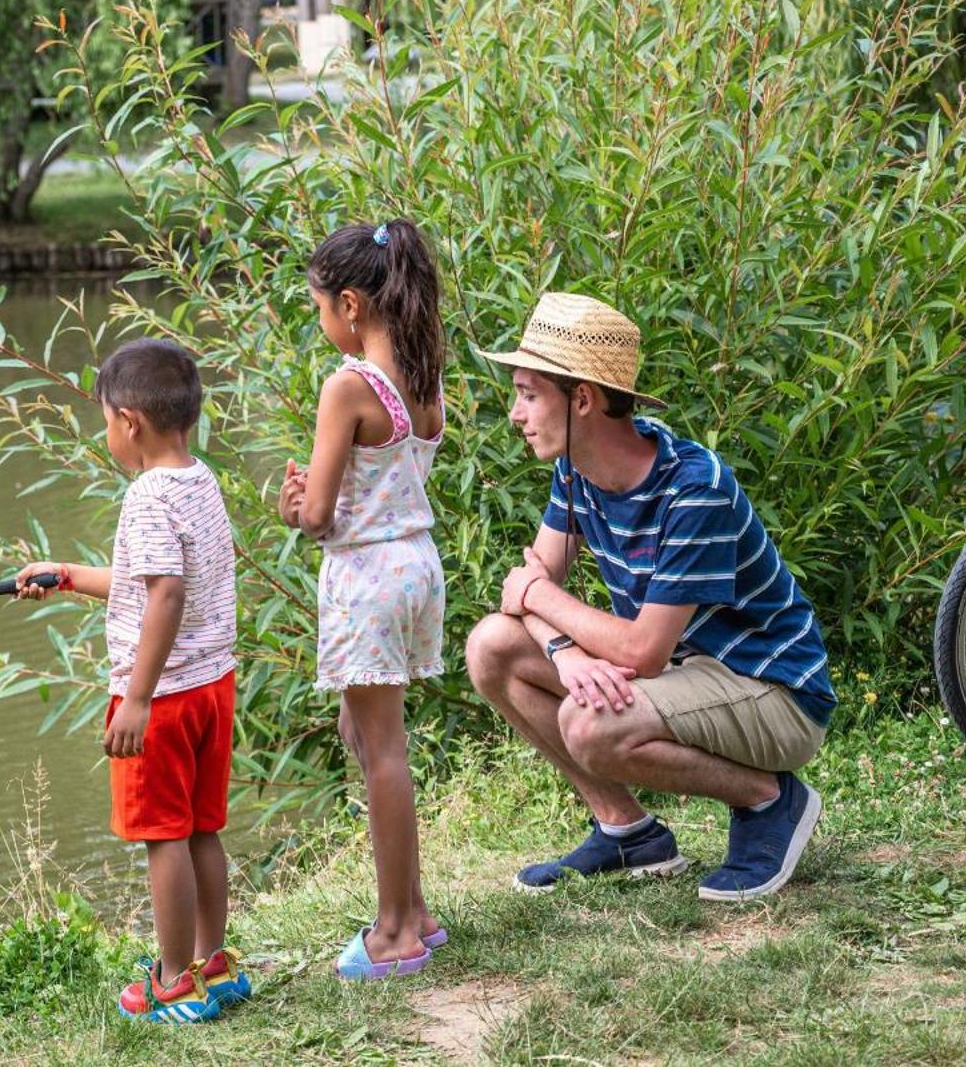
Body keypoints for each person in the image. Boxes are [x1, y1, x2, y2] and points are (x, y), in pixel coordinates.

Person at [469, 292, 835, 900]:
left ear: (581, 399)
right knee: (490, 646)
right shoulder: (575, 470)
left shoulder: (694, 489)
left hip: (772, 691)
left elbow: (638, 651)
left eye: (529, 393)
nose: (515, 413)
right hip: (687, 675)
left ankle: (771, 799)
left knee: (588, 725)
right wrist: (565, 651)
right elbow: (523, 599)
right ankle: (627, 832)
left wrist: (538, 595)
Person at [16, 337, 246, 1023]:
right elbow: (157, 584)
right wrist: (69, 576)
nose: (105, 432)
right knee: (202, 828)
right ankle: (213, 963)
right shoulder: (198, 480)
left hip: (165, 699)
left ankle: (172, 980)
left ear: (130, 423)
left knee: (164, 836)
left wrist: (137, 698)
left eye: (104, 419)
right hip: (211, 687)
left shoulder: (147, 494)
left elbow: (167, 595)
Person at [278, 220, 450, 980]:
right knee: (363, 727)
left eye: (320, 307)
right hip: (415, 566)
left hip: (365, 578)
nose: (322, 323)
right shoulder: (425, 378)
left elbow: (317, 516)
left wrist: (290, 504)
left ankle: (396, 930)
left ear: (351, 305)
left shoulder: (348, 386)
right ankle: (414, 906)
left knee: (383, 749)